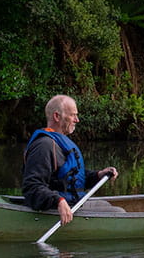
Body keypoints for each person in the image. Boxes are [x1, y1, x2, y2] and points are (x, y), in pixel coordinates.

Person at [22, 95, 122, 224]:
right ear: (57, 116)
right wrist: (58, 201)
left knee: (106, 204)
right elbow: (32, 187)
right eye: (73, 115)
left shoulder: (59, 142)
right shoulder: (44, 146)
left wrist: (98, 175)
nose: (77, 120)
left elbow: (69, 178)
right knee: (118, 212)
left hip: (73, 201)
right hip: (56, 208)